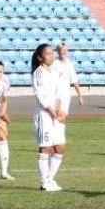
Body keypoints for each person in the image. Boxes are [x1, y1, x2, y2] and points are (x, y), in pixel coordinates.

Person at [31, 43, 66, 192]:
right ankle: (44, 182)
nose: (51, 56)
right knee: (45, 147)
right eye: (48, 53)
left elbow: (59, 92)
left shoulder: (55, 71)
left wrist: (59, 111)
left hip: (55, 114)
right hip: (44, 115)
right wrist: (52, 112)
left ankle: (50, 179)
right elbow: (41, 97)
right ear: (40, 57)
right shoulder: (38, 73)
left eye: (52, 53)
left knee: (60, 147)